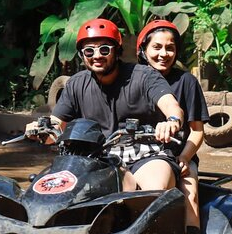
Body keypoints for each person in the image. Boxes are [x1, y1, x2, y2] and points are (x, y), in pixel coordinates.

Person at [29, 18, 184, 192]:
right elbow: (55, 126)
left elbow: (171, 105)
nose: (96, 56)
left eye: (104, 49)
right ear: (82, 55)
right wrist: (40, 130)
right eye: (89, 51)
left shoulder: (144, 75)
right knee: (57, 192)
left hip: (146, 155)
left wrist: (171, 121)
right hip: (96, 159)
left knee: (153, 190)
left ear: (117, 51)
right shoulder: (76, 84)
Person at [136, 20, 209, 234]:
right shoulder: (132, 80)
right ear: (143, 50)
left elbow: (197, 132)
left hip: (178, 155)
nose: (163, 54)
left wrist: (185, 158)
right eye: (156, 47)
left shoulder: (186, 82)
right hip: (135, 156)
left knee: (190, 196)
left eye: (170, 48)